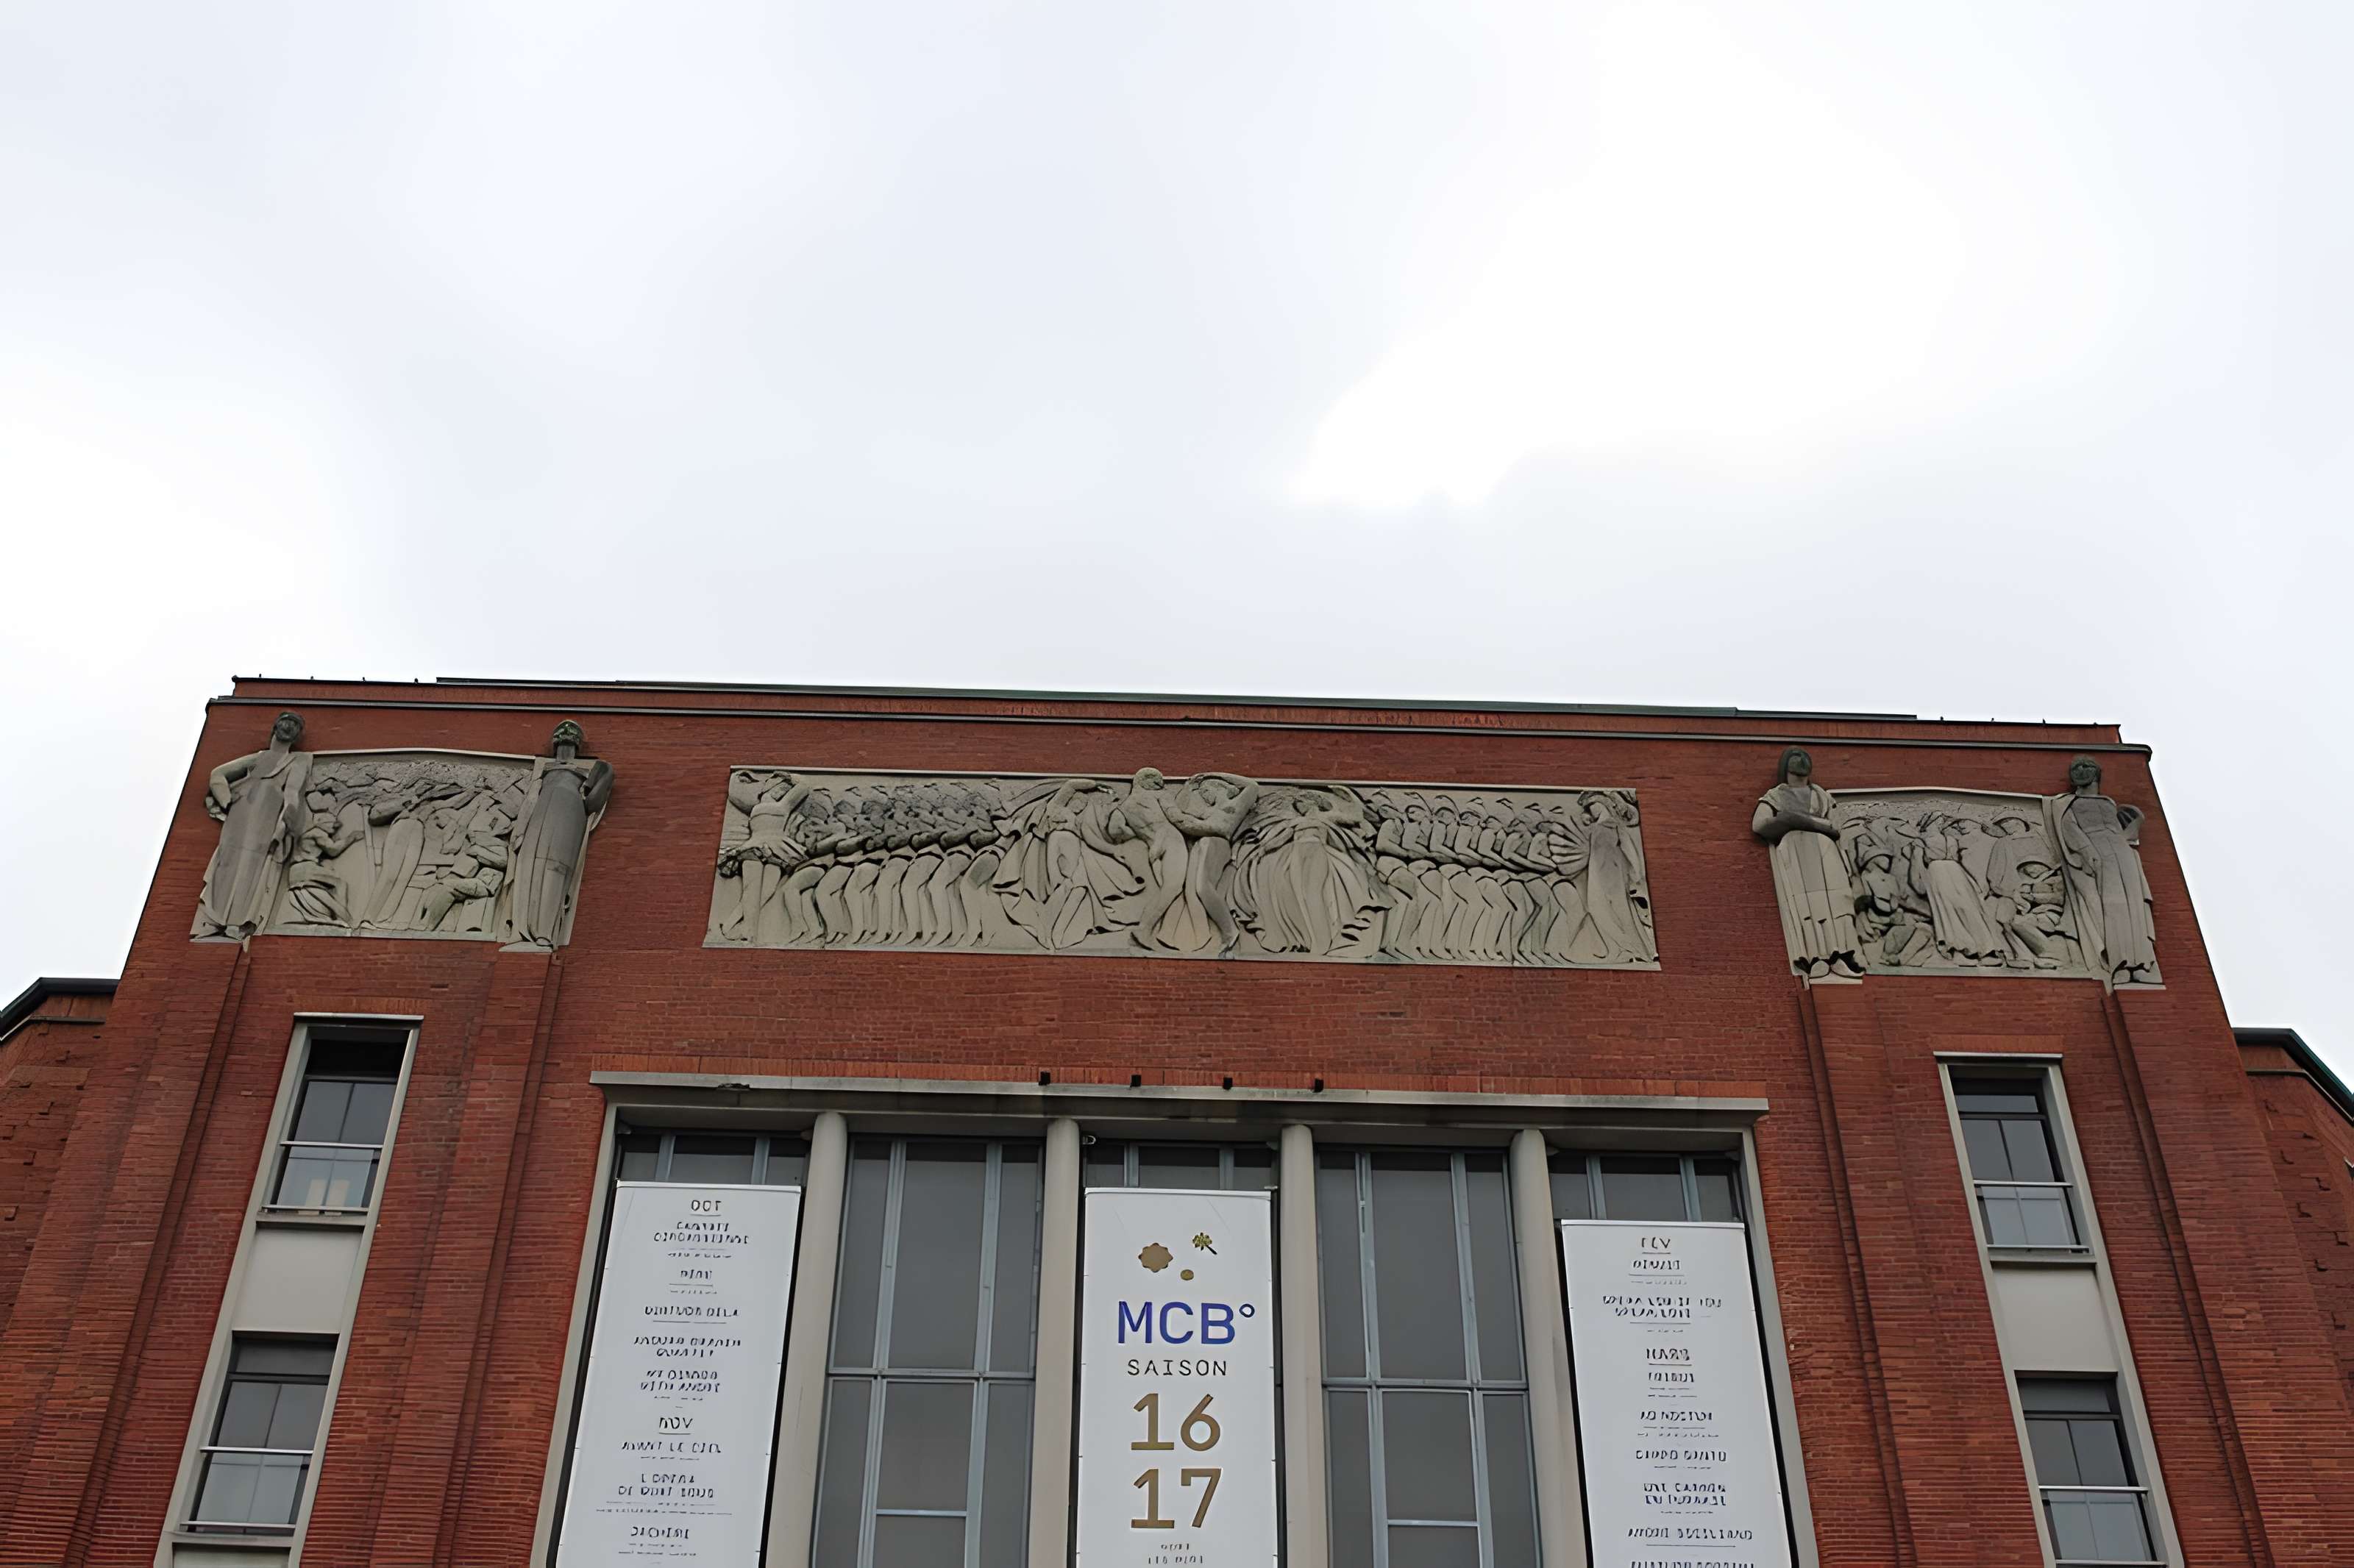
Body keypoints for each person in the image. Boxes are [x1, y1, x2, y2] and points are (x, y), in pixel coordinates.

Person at [193, 711, 310, 938]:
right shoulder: (259, 757)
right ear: (275, 727)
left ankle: (236, 923)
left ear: (297, 736)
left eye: (294, 726)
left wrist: (281, 829)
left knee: (250, 868)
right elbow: (217, 774)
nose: (289, 727)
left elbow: (292, 796)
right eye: (285, 722)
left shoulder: (297, 761)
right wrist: (228, 802)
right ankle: (215, 920)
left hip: (265, 822)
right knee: (227, 865)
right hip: (239, 817)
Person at [2043, 756, 2159, 985]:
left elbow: (2122, 832)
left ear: (2097, 774)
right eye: (2076, 767)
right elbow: (2069, 829)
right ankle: (2120, 963)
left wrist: (2135, 823)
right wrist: (2088, 853)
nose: (2081, 770)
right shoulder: (2066, 803)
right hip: (2096, 853)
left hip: (2122, 852)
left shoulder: (2109, 802)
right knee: (2112, 906)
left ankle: (2141, 962)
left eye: (2087, 766)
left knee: (2132, 905)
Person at [1751, 747, 1863, 979]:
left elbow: (1836, 827)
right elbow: (1759, 824)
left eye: (1805, 756)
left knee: (1836, 901)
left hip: (1825, 850)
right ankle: (1816, 959)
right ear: (1786, 766)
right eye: (1795, 757)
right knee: (1808, 906)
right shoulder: (1777, 795)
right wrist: (1811, 823)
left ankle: (1841, 955)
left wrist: (1796, 820)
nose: (1801, 760)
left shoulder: (1821, 795)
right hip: (1796, 853)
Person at [510, 721, 616, 946]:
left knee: (556, 869)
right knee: (529, 866)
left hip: (570, 813)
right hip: (540, 815)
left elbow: (593, 803)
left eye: (571, 738)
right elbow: (530, 801)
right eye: (562, 737)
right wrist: (519, 831)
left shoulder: (588, 771)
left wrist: (606, 775)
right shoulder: (544, 771)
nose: (566, 743)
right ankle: (522, 929)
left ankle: (545, 932)